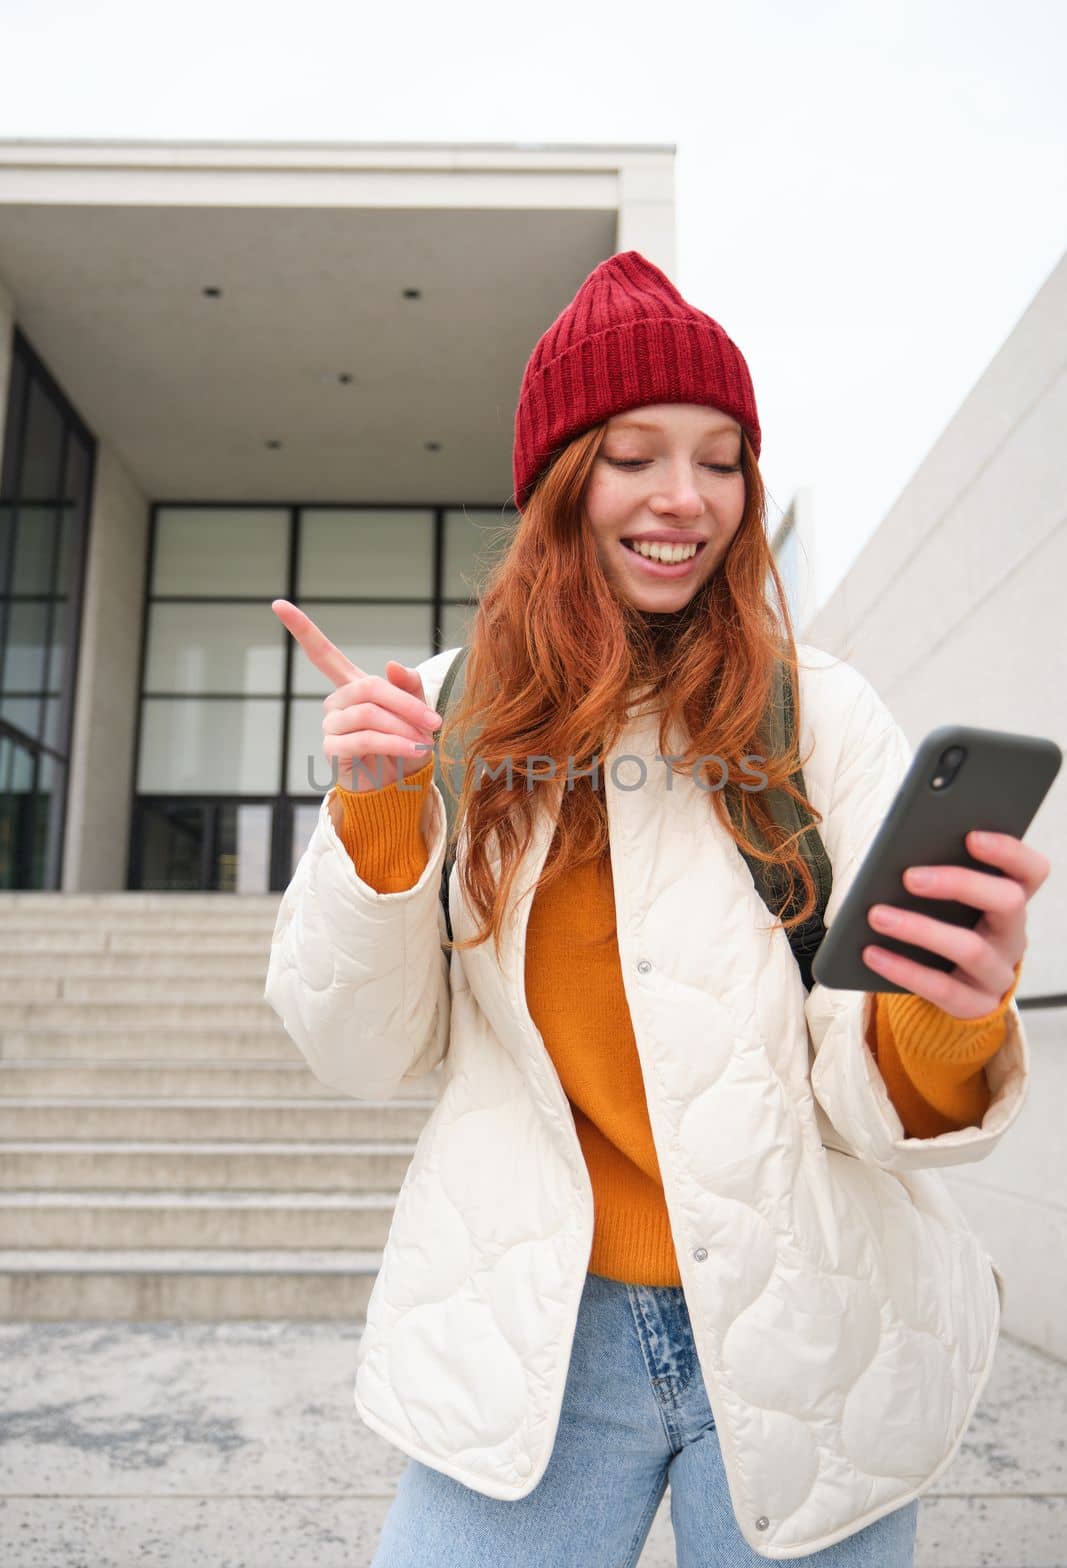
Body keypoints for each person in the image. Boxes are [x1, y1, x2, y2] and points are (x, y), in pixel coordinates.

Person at [265, 250, 1046, 1565]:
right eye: (634, 454)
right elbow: (357, 1050)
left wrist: (949, 1021)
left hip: (813, 1330)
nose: (686, 497)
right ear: (560, 481)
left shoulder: (821, 713)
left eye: (722, 457)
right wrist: (380, 818)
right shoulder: (444, 712)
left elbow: (871, 1097)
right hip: (534, 1340)